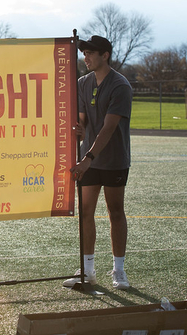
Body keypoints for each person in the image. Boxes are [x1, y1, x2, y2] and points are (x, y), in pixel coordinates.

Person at [63, 35, 132, 290]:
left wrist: (88, 158)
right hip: (88, 161)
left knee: (116, 212)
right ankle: (87, 271)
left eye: (91, 53)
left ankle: (119, 270)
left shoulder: (120, 85)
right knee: (86, 213)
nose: (86, 57)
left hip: (112, 160)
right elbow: (85, 122)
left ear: (105, 55)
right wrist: (79, 128)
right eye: (84, 53)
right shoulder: (83, 82)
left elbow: (109, 127)